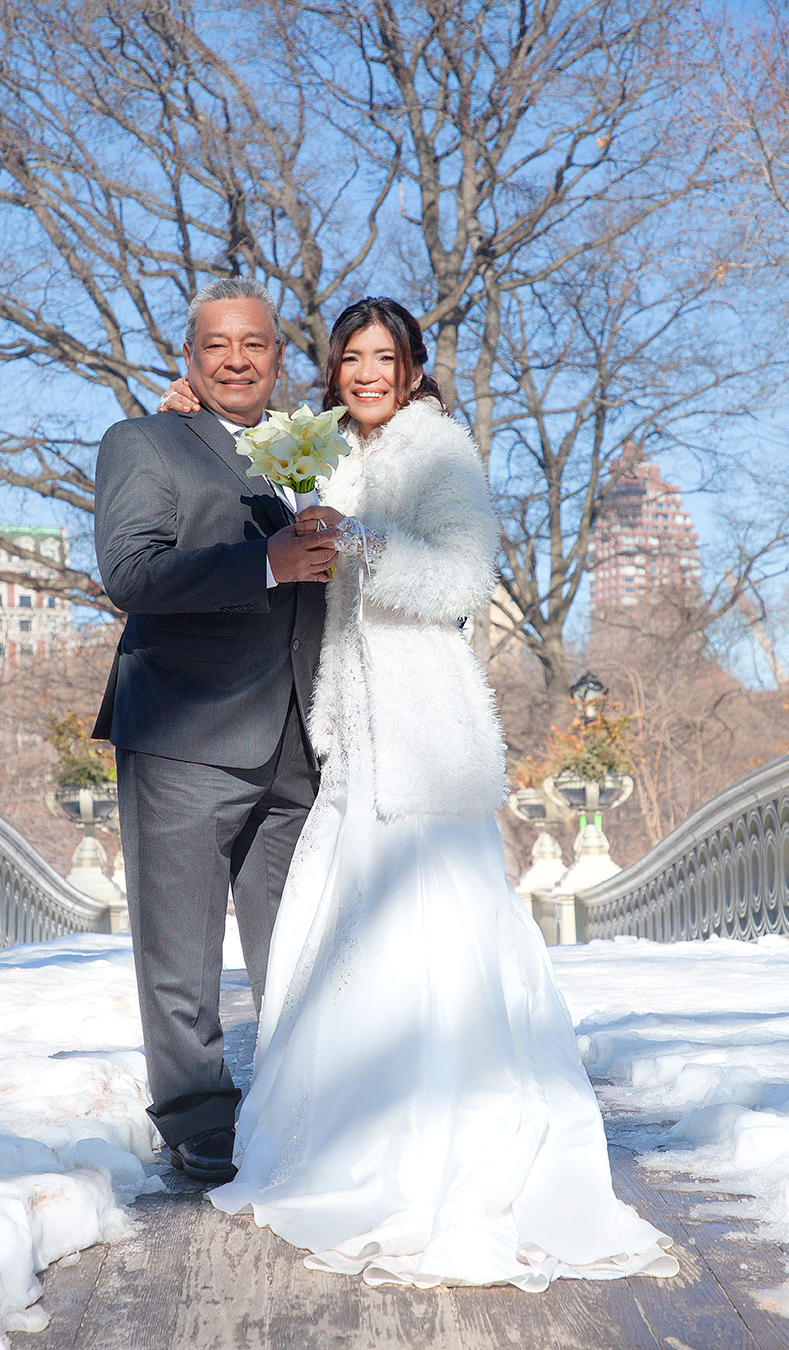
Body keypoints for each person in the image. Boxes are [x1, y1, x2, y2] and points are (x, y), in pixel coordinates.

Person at [183, 296, 679, 1289]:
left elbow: (458, 581)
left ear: (412, 367)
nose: (367, 373)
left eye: (384, 357)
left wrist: (360, 541)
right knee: (341, 930)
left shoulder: (440, 449)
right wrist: (188, 412)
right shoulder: (334, 452)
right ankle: (341, 1140)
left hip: (424, 724)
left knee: (434, 933)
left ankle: (444, 1144)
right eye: (351, 359)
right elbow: (254, 478)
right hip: (354, 728)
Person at [92, 277, 336, 1185]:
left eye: (255, 345)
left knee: (302, 945)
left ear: (279, 357)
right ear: (189, 359)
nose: (237, 360)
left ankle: (300, 1099)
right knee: (181, 949)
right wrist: (263, 561)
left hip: (300, 738)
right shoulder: (145, 441)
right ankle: (197, 1118)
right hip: (185, 730)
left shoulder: (304, 452)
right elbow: (132, 572)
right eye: (217, 346)